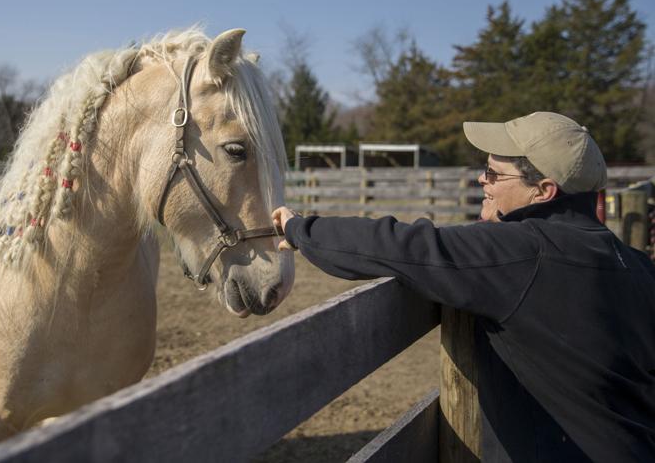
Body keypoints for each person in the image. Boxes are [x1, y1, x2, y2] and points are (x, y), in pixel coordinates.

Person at [272, 112, 655, 462]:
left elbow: (401, 246)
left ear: (543, 190)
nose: (481, 180)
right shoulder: (638, 266)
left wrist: (300, 228)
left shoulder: (525, 253)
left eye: (493, 173)